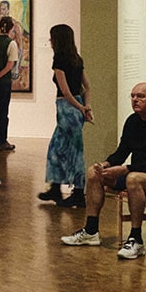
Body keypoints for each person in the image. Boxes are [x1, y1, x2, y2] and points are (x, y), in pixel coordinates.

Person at [62, 81, 146, 258]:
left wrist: (125, 169)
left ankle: (136, 240)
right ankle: (91, 231)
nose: (135, 100)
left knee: (133, 179)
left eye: (141, 96)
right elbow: (122, 151)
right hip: (142, 173)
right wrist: (106, 164)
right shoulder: (133, 121)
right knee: (93, 173)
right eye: (133, 96)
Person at [38, 24, 92, 208]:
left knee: (74, 151)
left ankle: (78, 193)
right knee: (56, 148)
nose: (50, 41)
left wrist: (81, 107)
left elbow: (65, 91)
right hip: (75, 108)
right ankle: (55, 187)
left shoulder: (59, 59)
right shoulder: (77, 59)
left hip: (67, 109)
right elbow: (87, 86)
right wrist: (85, 106)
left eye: (52, 37)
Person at [0, 16, 19, 151]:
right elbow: (9, 66)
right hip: (4, 83)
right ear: (11, 28)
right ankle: (2, 141)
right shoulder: (11, 44)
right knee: (3, 112)